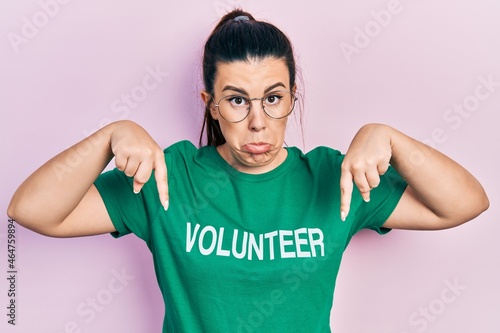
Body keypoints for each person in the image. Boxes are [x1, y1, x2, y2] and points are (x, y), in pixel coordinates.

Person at [7, 9, 489, 333]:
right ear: (211, 105)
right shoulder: (165, 177)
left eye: (273, 99)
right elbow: (31, 211)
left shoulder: (334, 176)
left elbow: (466, 203)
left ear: (291, 100)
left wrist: (392, 139)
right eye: (237, 100)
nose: (257, 121)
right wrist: (110, 136)